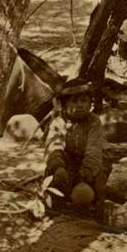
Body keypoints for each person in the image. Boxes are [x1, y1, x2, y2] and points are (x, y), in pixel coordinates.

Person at [44, 78, 111, 219]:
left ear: (90, 103)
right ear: (65, 104)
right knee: (55, 176)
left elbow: (93, 149)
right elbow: (54, 146)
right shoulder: (59, 121)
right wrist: (57, 166)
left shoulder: (93, 121)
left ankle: (98, 209)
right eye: (74, 102)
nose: (79, 106)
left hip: (87, 166)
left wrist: (86, 172)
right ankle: (55, 206)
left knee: (99, 176)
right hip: (67, 165)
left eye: (83, 101)